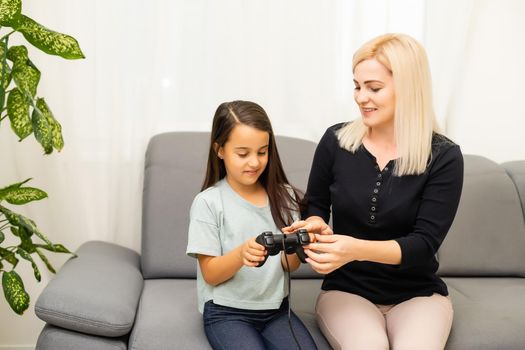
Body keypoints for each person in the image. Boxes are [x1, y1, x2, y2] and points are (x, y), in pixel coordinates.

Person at [287, 33, 464, 350]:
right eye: (357, 85)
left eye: (374, 88)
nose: (360, 97)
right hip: (347, 291)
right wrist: (314, 228)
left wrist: (354, 248)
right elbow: (314, 208)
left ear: (408, 89)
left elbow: (423, 245)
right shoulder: (336, 141)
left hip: (418, 294)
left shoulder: (444, 157)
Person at [186, 100, 318, 350]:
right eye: (243, 153)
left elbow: (290, 266)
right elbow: (211, 274)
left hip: (277, 311)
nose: (255, 162)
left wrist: (293, 247)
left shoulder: (285, 196)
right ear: (220, 150)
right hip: (226, 313)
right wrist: (241, 254)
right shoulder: (208, 203)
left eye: (262, 152)